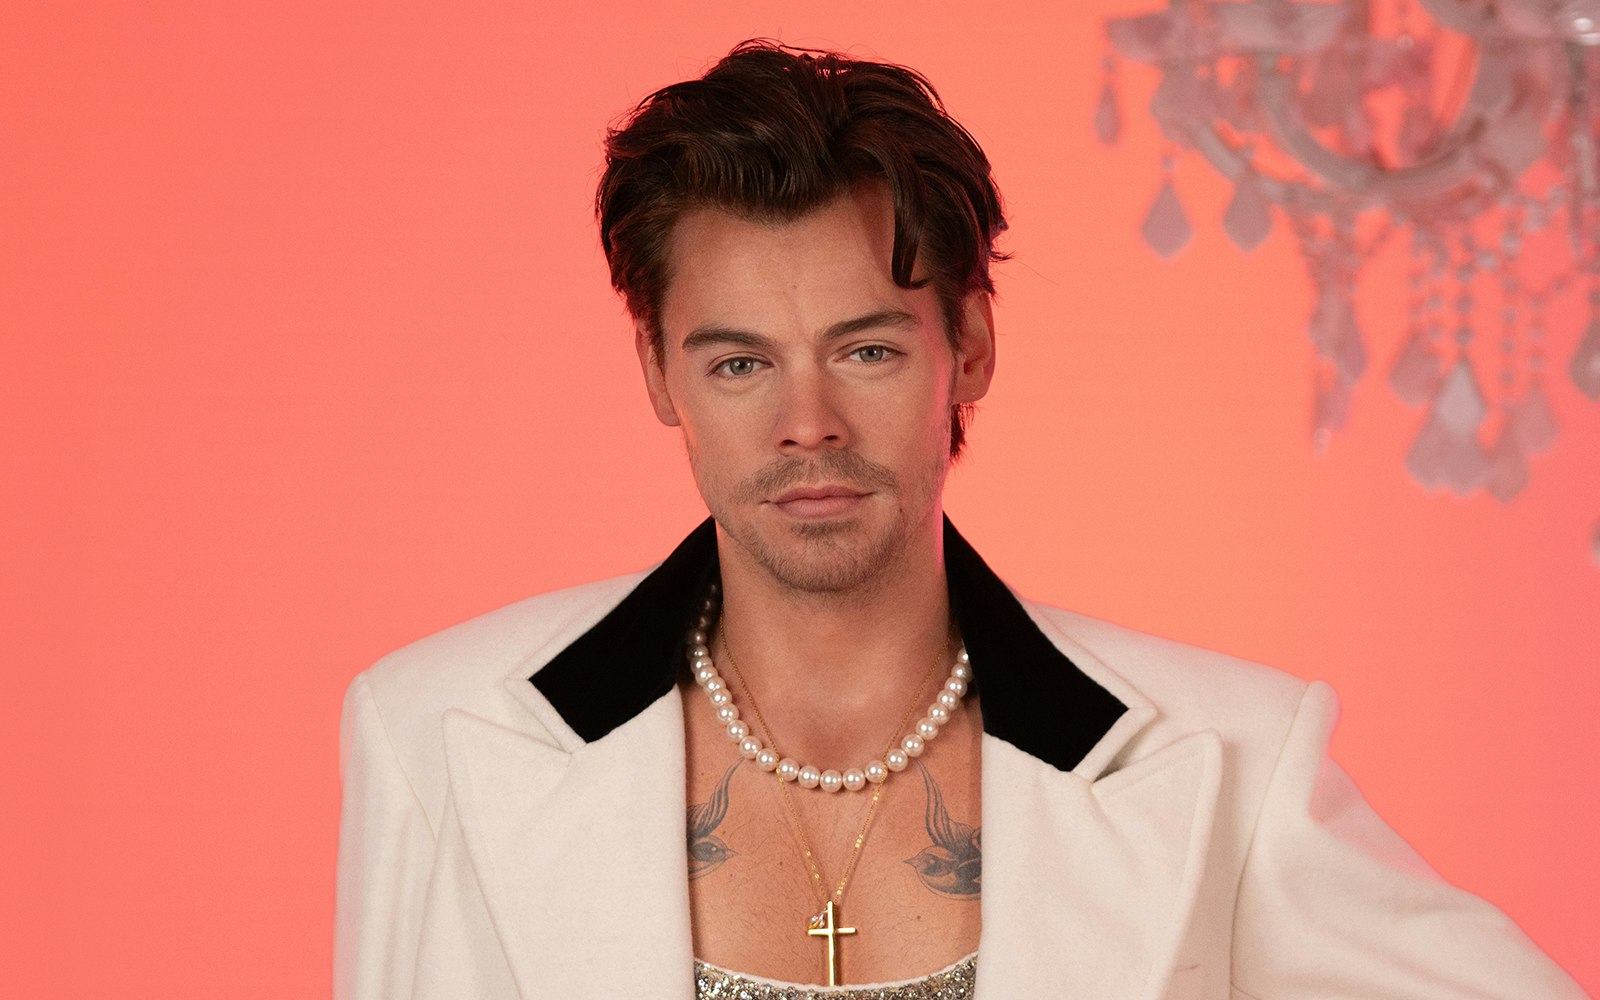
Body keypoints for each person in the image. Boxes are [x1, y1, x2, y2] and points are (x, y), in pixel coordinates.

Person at [334, 40, 1588, 1000]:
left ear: (969, 349)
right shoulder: (429, 731)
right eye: (739, 364)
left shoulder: (1233, 760)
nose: (807, 422)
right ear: (660, 375)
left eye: (866, 350)